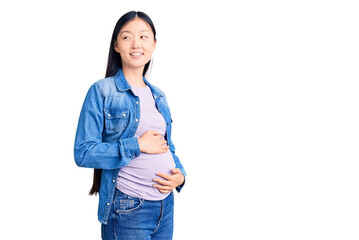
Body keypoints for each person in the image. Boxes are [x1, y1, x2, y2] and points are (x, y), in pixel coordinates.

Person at [74, 11, 186, 240]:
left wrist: (180, 175)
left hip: (165, 207)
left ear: (154, 44)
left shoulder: (159, 96)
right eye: (127, 37)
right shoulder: (102, 91)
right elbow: (83, 152)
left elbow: (167, 146)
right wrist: (137, 145)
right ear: (116, 45)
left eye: (144, 37)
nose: (136, 44)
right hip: (128, 208)